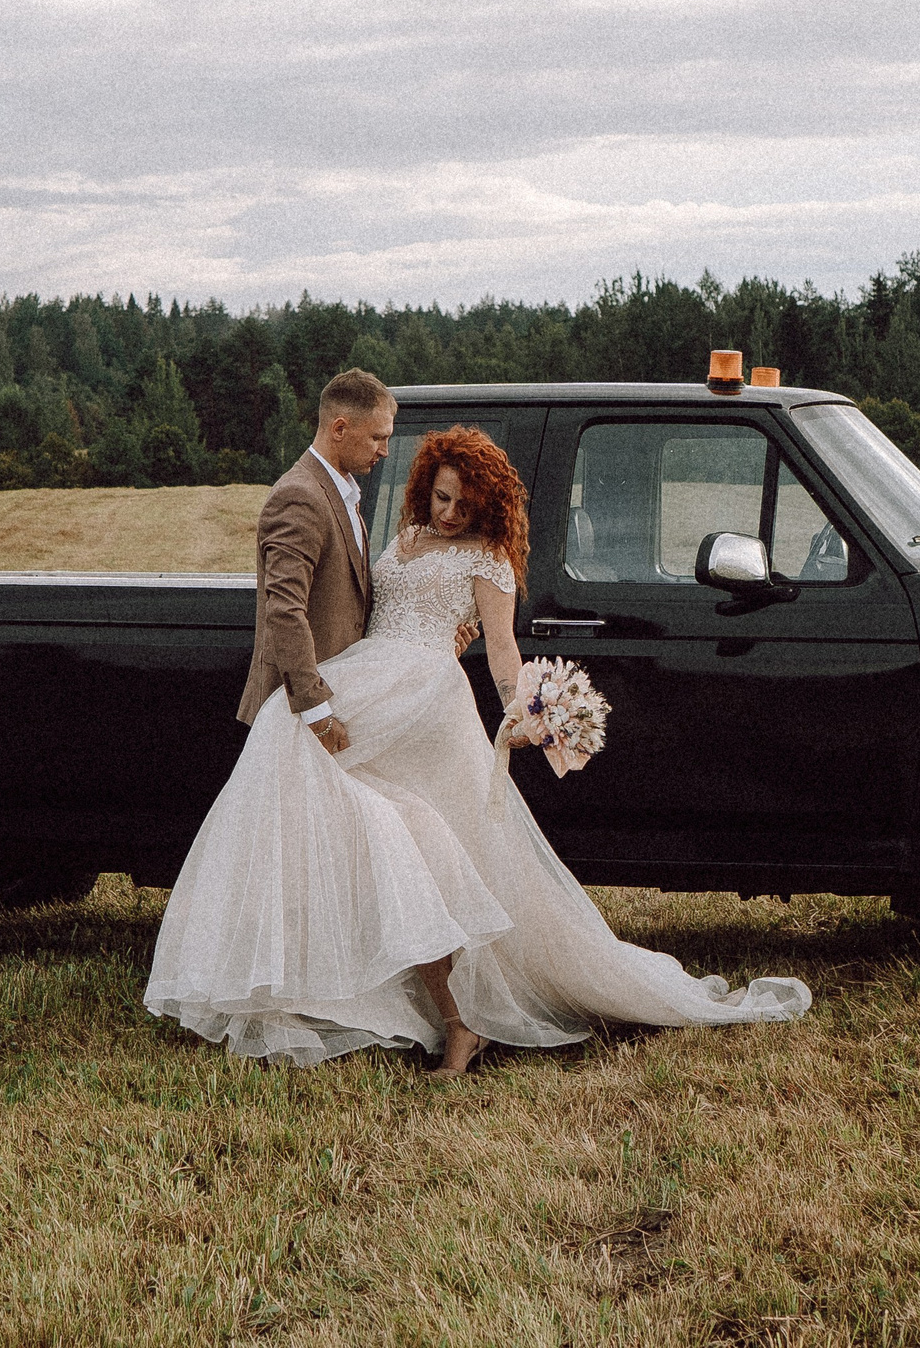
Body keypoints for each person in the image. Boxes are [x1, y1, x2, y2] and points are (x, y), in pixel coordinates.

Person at [145, 412, 810, 1072]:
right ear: (423, 488)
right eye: (441, 497)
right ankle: (337, 989)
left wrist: (528, 712)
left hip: (424, 698)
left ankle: (442, 1013)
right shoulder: (404, 536)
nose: (451, 511)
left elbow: (501, 651)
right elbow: (378, 610)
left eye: (466, 502)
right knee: (354, 802)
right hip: (371, 675)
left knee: (321, 765)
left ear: (486, 503)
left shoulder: (489, 560)